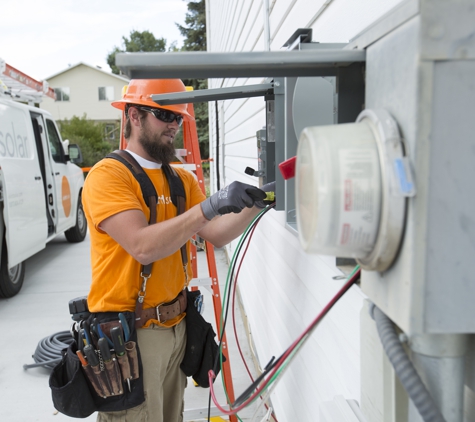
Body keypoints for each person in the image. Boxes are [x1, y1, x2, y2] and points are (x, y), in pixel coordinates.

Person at [82, 78, 273, 422]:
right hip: (132, 337)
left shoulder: (180, 179)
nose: (174, 125)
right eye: (164, 115)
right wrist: (208, 206)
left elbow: (215, 233)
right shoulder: (108, 176)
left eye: (178, 118)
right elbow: (142, 246)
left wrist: (261, 199)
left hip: (177, 326)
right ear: (135, 115)